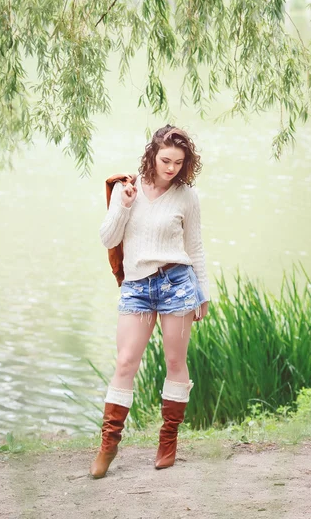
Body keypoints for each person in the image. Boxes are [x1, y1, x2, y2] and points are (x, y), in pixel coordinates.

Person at [90, 124, 210, 479]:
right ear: (152, 155)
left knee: (176, 361)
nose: (171, 168)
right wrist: (123, 207)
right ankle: (108, 446)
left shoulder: (187, 196)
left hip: (177, 283)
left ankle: (168, 441)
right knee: (126, 362)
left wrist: (203, 292)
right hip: (137, 287)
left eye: (178, 162)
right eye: (165, 160)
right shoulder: (126, 188)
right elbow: (107, 237)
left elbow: (196, 247)